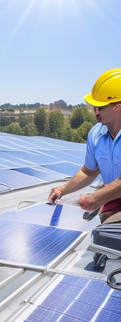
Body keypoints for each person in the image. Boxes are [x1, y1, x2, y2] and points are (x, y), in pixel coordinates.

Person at [48, 68, 121, 224]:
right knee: (104, 237)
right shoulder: (96, 134)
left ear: (118, 106)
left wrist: (97, 197)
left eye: (100, 107)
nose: (95, 112)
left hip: (111, 200)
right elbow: (88, 172)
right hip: (113, 202)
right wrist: (63, 189)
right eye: (94, 107)